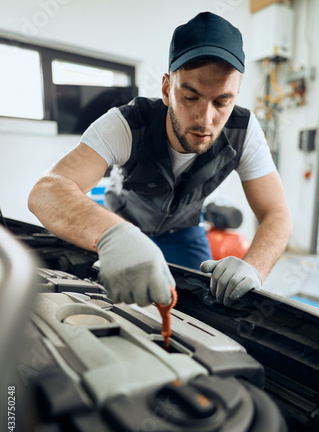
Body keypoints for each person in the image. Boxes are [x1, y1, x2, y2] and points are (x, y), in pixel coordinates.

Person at [28, 12, 292, 308]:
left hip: (185, 232)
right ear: (167, 88)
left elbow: (277, 213)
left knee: (200, 308)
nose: (206, 119)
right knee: (109, 306)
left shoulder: (245, 132)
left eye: (221, 101)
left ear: (236, 95)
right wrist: (114, 235)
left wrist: (254, 266)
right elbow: (47, 191)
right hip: (122, 226)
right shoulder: (127, 124)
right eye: (191, 97)